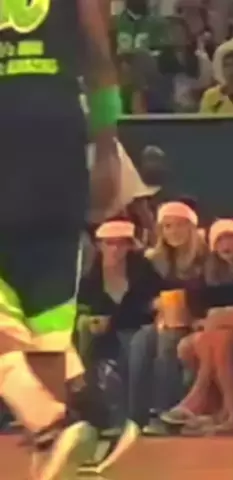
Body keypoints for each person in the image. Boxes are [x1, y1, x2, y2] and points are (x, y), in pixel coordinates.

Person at [0, 0, 121, 479]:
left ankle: (45, 420)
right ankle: (53, 451)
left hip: (32, 140)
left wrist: (108, 151)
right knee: (46, 324)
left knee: (44, 323)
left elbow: (98, 56)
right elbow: (100, 61)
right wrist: (108, 148)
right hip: (57, 139)